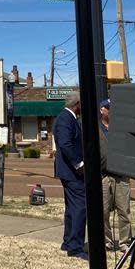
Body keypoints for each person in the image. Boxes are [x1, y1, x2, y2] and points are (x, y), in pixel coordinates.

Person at [53, 91, 87, 259]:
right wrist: (79, 163)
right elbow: (65, 144)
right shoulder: (66, 119)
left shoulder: (69, 118)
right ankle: (75, 247)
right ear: (77, 104)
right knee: (80, 207)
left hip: (68, 172)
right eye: (82, 104)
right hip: (71, 171)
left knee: (72, 208)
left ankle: (68, 242)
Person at [99, 98, 131, 252]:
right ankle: (107, 241)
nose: (111, 111)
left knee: (124, 211)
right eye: (108, 108)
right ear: (102, 110)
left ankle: (125, 242)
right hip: (104, 176)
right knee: (103, 211)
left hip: (122, 176)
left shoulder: (121, 128)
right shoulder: (96, 128)